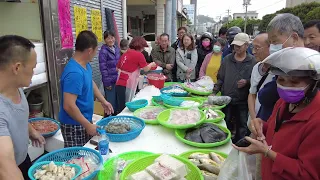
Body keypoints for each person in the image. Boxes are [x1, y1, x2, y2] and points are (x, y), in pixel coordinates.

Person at [234, 47, 320, 180]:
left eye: (294, 82)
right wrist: (262, 125)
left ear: (313, 83)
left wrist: (267, 152)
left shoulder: (316, 120)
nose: (286, 86)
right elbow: (278, 130)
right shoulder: (283, 103)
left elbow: (308, 174)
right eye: (281, 80)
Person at [0, 35, 46, 179]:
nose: (33, 72)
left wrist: (31, 131)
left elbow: (17, 115)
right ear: (17, 68)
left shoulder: (16, 86)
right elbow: (6, 166)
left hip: (22, 159)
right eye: (32, 68)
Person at [60, 31, 114, 147]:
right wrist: (87, 125)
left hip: (84, 120)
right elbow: (68, 105)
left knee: (88, 155)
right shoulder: (74, 73)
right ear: (89, 51)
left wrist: (103, 101)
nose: (95, 54)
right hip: (74, 124)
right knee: (77, 158)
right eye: (95, 50)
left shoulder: (85, 64)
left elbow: (90, 82)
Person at [213, 33, 255, 142]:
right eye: (235, 45)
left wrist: (247, 82)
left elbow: (256, 82)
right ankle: (223, 143)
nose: (236, 47)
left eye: (239, 45)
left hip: (243, 100)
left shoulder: (253, 61)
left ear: (246, 45)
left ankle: (238, 147)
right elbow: (220, 78)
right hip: (227, 99)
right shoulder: (227, 59)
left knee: (242, 125)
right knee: (224, 123)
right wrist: (214, 92)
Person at [116, 37, 156, 112]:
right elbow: (146, 68)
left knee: (121, 106)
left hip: (119, 82)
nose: (143, 49)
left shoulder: (126, 53)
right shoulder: (139, 55)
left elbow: (117, 68)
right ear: (140, 46)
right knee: (127, 107)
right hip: (127, 84)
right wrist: (151, 64)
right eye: (143, 47)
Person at [248, 33, 271, 122]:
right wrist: (254, 119)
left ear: (270, 48)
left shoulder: (278, 73)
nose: (253, 52)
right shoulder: (256, 67)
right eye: (252, 48)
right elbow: (252, 94)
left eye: (257, 48)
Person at [99, 31, 120, 115]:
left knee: (117, 101)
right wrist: (107, 83)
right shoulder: (103, 51)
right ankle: (109, 120)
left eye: (112, 37)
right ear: (105, 40)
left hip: (117, 79)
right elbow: (103, 68)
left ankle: (117, 118)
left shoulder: (117, 49)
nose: (111, 40)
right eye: (108, 38)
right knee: (110, 103)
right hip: (109, 81)